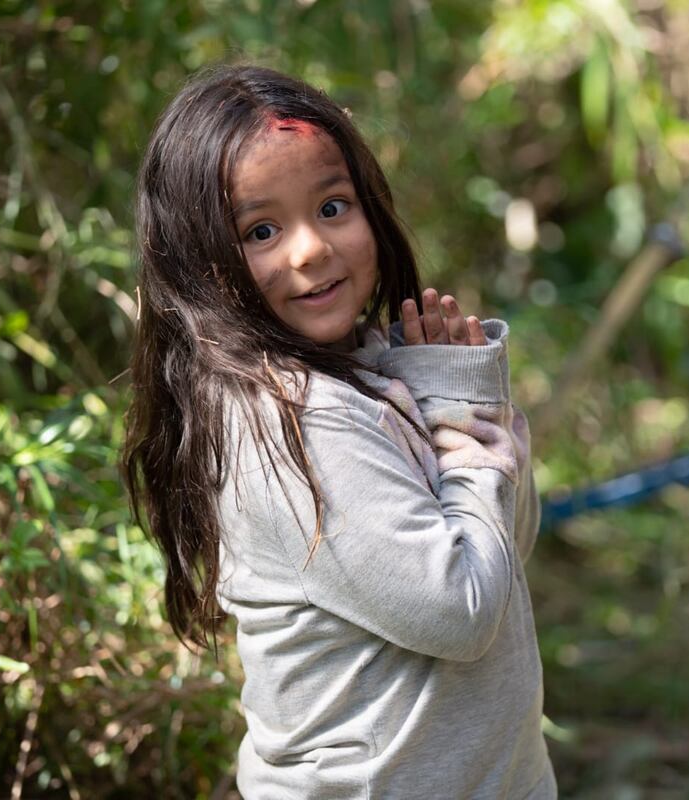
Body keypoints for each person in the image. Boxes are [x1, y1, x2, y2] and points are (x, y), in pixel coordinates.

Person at [122, 64, 555, 799]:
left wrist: (461, 404)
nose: (310, 249)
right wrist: (470, 434)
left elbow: (505, 554)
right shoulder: (289, 420)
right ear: (201, 262)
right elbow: (462, 610)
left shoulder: (368, 372)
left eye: (332, 206)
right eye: (261, 230)